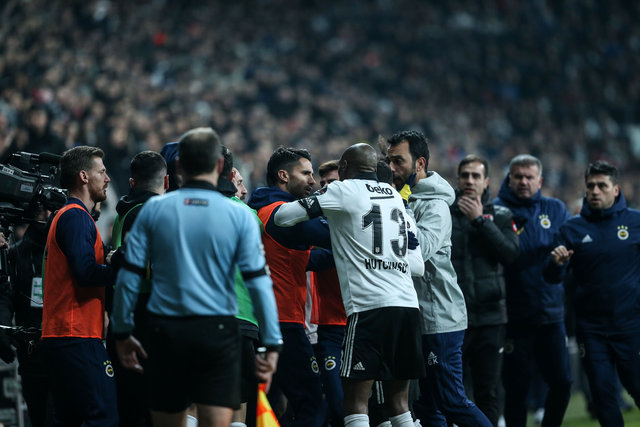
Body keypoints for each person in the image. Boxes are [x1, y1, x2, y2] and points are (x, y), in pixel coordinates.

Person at [274, 142, 425, 427]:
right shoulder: (395, 197)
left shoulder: (342, 190)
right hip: (407, 307)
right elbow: (417, 265)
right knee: (399, 405)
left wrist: (330, 222)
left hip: (370, 308)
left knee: (355, 402)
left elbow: (282, 217)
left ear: (343, 168)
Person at [386, 131, 492, 427]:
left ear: (420, 163)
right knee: (428, 406)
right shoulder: (400, 197)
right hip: (417, 317)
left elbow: (420, 253)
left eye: (398, 161)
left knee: (452, 401)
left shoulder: (435, 206)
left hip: (439, 317)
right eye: (388, 160)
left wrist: (400, 208)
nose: (391, 168)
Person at [544, 161, 640, 427]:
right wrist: (556, 264)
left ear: (616, 189)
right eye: (591, 186)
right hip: (592, 330)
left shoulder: (635, 222)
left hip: (631, 326)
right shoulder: (571, 229)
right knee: (602, 395)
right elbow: (551, 277)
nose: (595, 191)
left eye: (602, 185)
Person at [247, 147, 330, 426]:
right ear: (283, 175)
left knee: (270, 407)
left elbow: (307, 259)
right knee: (312, 404)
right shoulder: (282, 214)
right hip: (284, 323)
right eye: (305, 173)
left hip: (263, 320)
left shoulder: (262, 211)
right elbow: (327, 236)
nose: (312, 181)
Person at [40, 145, 118, 426]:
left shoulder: (69, 216)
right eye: (102, 172)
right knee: (103, 416)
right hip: (76, 335)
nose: (107, 178)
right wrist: (120, 269)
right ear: (84, 176)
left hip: (64, 335)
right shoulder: (75, 216)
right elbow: (85, 273)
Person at [494, 154, 572, 427]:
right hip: (514, 317)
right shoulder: (497, 210)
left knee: (563, 381)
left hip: (551, 314)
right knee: (516, 390)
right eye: (518, 177)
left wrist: (559, 263)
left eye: (529, 177)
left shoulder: (556, 209)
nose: (524, 182)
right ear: (509, 179)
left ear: (540, 181)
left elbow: (566, 254)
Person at [449, 155, 519, 426]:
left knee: (487, 392)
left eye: (476, 176)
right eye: (465, 175)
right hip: (453, 319)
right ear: (458, 180)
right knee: (451, 391)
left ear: (486, 181)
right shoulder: (444, 213)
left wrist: (480, 221)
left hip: (491, 319)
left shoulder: (501, 215)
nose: (470, 180)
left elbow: (510, 254)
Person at [108, 150, 168, 426]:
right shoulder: (153, 213)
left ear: (132, 183)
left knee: (128, 406)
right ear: (166, 182)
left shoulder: (123, 213)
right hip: (146, 315)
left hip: (122, 313)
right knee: (153, 406)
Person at [0, 209, 53, 427]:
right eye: (41, 210)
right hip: (32, 354)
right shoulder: (16, 254)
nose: (46, 214)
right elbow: (5, 296)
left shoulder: (68, 249)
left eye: (50, 209)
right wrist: (3, 328)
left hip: (66, 350)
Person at [311, 159, 346, 427]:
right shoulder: (314, 223)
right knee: (337, 403)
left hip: (362, 323)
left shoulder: (360, 219)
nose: (325, 188)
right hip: (329, 326)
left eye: (332, 183)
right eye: (322, 184)